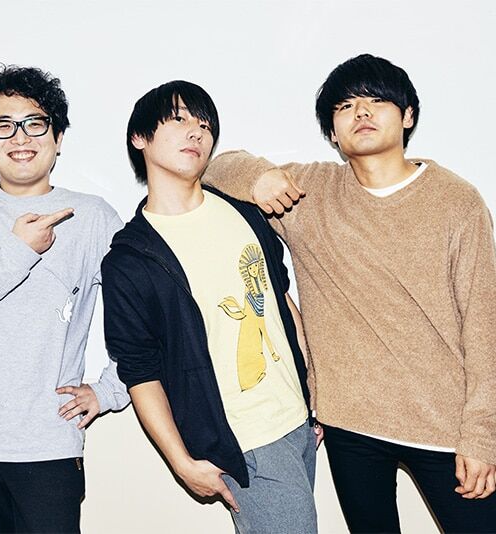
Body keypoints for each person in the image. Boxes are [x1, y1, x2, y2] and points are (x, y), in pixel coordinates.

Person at [203, 54, 496, 533]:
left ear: (407, 116)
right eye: (345, 106)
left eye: (376, 100)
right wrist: (259, 177)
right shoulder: (310, 192)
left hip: (444, 424)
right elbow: (217, 167)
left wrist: (484, 436)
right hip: (350, 423)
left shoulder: (456, 201)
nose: (361, 112)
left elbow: (483, 325)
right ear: (332, 132)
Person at [101, 80, 320, 533]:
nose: (196, 132)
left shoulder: (245, 212)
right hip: (245, 442)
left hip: (298, 423)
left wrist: (314, 393)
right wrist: (181, 462)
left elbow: (279, 300)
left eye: (205, 125)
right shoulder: (132, 257)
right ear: (139, 137)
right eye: (179, 119)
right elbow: (139, 371)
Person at [0, 65, 129, 533]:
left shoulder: (93, 216)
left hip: (47, 442)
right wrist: (20, 250)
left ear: (58, 137)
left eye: (35, 123)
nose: (20, 137)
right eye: (4, 125)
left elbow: (141, 316)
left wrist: (110, 391)